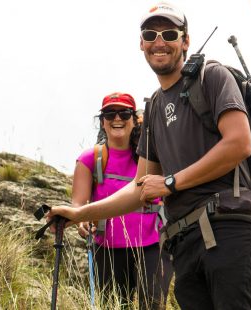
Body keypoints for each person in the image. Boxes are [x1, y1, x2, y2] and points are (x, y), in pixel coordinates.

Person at [48, 2, 251, 309]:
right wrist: (80, 213)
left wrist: (171, 182)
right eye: (150, 34)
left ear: (185, 41)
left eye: (169, 33)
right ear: (141, 44)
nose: (159, 41)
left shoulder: (212, 77)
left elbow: (240, 143)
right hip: (183, 240)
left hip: (228, 226)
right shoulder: (154, 108)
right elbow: (141, 186)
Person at [72, 92, 172, 309]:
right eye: (110, 114)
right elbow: (78, 204)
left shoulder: (153, 156)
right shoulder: (90, 159)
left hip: (153, 246)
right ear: (102, 121)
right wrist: (82, 221)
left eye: (124, 113)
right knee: (113, 306)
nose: (117, 119)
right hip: (107, 247)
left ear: (134, 120)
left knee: (153, 305)